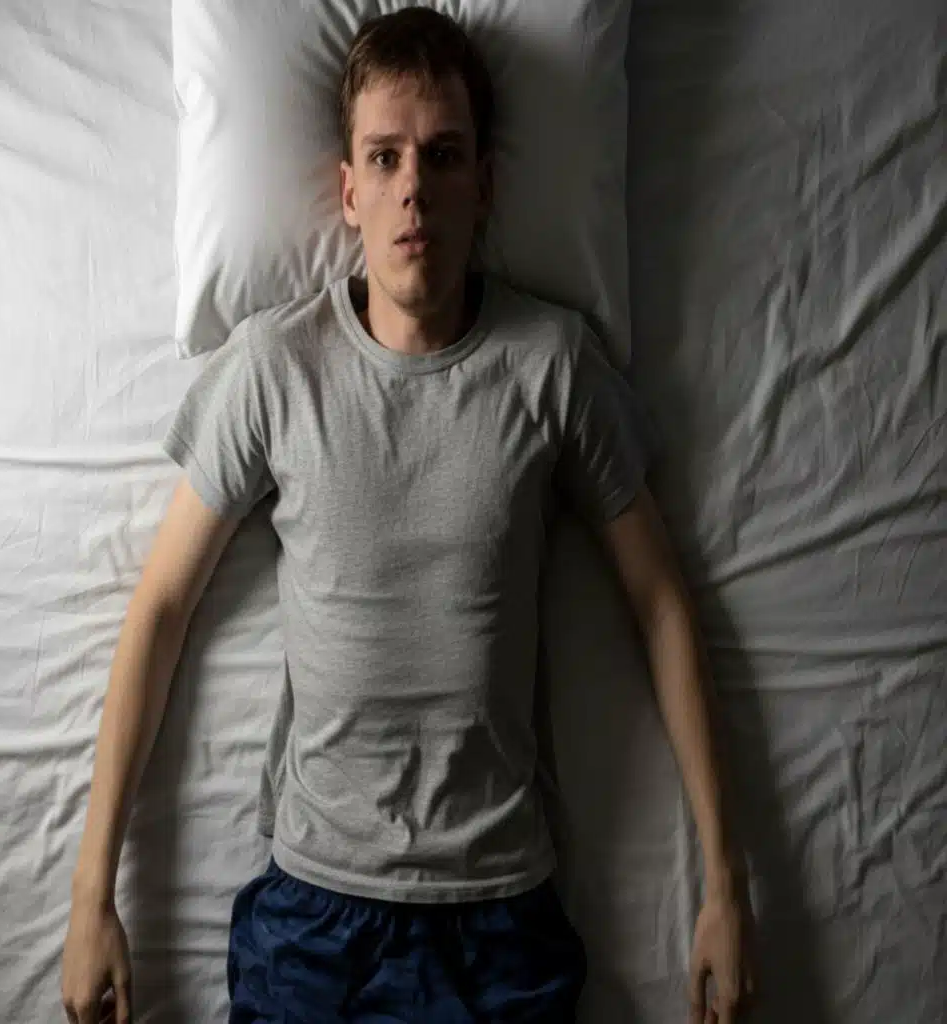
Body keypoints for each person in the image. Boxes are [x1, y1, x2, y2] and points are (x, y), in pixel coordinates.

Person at [62, 8, 755, 1024]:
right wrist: (91, 897)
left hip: (499, 922)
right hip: (315, 918)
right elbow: (161, 606)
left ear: (486, 184)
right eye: (384, 158)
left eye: (443, 155)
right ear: (348, 190)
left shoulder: (552, 366)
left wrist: (724, 890)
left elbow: (659, 604)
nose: (413, 189)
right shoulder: (274, 370)